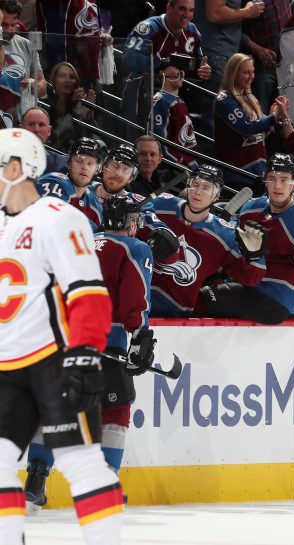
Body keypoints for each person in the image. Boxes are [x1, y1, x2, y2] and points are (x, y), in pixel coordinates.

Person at [0, 128, 121, 543]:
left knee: (80, 461)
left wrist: (86, 353)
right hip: (7, 368)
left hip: (56, 360)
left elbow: (88, 291)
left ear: (16, 168)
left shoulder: (58, 217)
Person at [25, 193, 155, 510]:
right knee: (114, 412)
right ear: (131, 222)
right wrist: (140, 334)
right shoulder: (134, 247)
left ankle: (35, 480)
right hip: (104, 339)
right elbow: (133, 300)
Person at [200, 153, 294, 323]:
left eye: (284, 179)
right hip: (249, 283)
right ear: (264, 180)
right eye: (272, 178)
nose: (277, 185)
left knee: (205, 298)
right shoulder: (251, 208)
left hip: (279, 297)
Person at [143, 164, 268, 317]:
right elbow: (132, 220)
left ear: (216, 196)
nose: (198, 192)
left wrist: (255, 256)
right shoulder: (160, 205)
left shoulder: (225, 235)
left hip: (175, 315)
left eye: (206, 188)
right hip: (136, 304)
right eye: (195, 184)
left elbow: (250, 279)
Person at [121, 0, 211, 128]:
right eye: (182, 9)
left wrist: (202, 71)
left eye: (191, 10)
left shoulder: (192, 31)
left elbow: (197, 63)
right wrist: (161, 66)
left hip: (173, 99)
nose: (187, 15)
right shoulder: (148, 28)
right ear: (169, 7)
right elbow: (128, 57)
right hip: (141, 96)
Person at [214, 52, 294, 187]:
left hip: (258, 171)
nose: (251, 77)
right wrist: (272, 117)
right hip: (237, 173)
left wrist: (275, 115)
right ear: (233, 74)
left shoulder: (251, 98)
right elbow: (246, 128)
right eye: (246, 72)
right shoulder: (225, 100)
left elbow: (260, 134)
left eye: (253, 72)